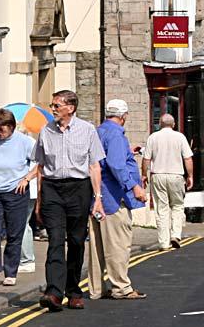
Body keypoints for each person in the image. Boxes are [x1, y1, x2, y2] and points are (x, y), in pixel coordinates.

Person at [33, 90, 105, 311]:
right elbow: (41, 167)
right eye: (53, 105)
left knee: (75, 241)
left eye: (56, 105)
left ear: (70, 108)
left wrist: (98, 199)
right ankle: (54, 292)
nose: (53, 108)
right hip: (53, 189)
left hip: (79, 189)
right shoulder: (46, 130)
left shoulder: (87, 130)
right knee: (55, 240)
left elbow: (94, 166)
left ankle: (73, 290)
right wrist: (39, 201)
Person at [87, 99, 148, 300]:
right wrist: (134, 186)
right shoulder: (115, 134)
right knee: (118, 245)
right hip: (114, 198)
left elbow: (102, 159)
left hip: (97, 196)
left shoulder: (100, 130)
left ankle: (96, 289)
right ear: (124, 116)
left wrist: (127, 151)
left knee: (97, 246)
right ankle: (121, 287)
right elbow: (115, 164)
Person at [0, 109, 36, 286]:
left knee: (14, 232)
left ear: (11, 127)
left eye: (1, 129)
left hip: (16, 193)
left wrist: (26, 178)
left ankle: (11, 272)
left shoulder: (25, 142)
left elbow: (40, 163)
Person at [142, 113, 194, 249]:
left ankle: (164, 243)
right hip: (176, 175)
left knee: (162, 209)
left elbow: (146, 159)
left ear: (160, 124)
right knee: (177, 206)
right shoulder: (180, 137)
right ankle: (175, 235)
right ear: (174, 124)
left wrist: (144, 175)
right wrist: (190, 176)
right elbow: (188, 158)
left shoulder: (153, 137)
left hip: (158, 175)